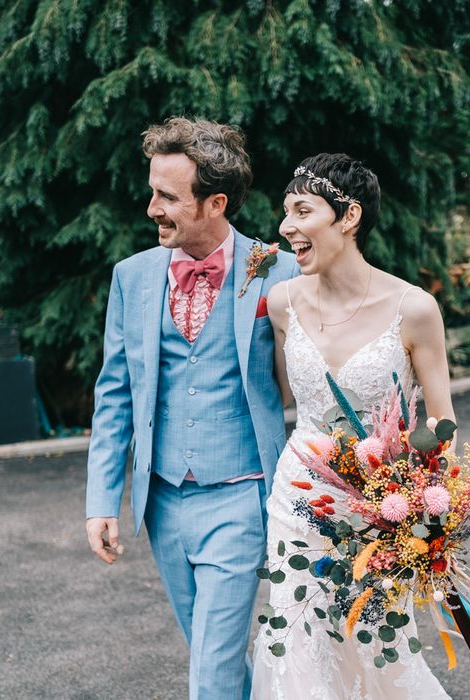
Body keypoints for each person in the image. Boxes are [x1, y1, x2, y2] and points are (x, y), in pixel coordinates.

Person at [85, 116, 298, 700]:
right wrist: (101, 500)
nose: (151, 207)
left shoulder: (276, 269)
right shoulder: (133, 277)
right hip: (163, 502)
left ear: (215, 202)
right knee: (212, 652)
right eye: (152, 190)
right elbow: (115, 396)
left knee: (211, 664)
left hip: (241, 490)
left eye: (167, 196)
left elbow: (310, 375)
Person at [251, 153, 455, 698]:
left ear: (348, 217)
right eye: (284, 213)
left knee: (375, 640)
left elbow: (441, 419)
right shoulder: (282, 303)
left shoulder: (413, 309)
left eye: (301, 211)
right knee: (296, 638)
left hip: (378, 507)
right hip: (297, 498)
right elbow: (283, 395)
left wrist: (424, 503)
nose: (285, 227)